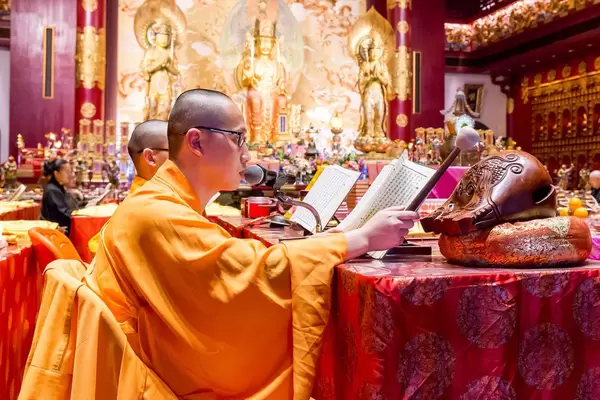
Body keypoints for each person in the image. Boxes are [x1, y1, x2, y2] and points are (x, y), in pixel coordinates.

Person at [84, 89, 417, 399]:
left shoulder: (161, 203)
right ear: (196, 142)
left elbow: (235, 263)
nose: (248, 155)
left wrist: (338, 238)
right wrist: (364, 238)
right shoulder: (155, 213)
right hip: (151, 382)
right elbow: (251, 275)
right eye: (239, 138)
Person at [87, 120, 169, 255]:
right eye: (175, 150)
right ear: (150, 157)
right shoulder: (150, 204)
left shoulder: (154, 196)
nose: (183, 159)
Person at [41, 158, 81, 235]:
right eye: (67, 171)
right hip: (56, 233)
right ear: (56, 173)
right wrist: (80, 216)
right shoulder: (52, 190)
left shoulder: (58, 188)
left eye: (70, 171)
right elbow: (63, 214)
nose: (69, 175)